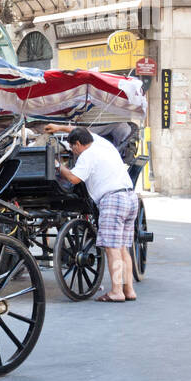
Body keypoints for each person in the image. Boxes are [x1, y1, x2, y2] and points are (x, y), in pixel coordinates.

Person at [56, 127, 139, 303]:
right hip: (130, 197)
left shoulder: (86, 155)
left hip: (113, 200)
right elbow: (80, 130)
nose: (74, 152)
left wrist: (58, 166)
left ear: (77, 144)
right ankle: (129, 290)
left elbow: (73, 179)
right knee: (123, 247)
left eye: (73, 148)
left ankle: (116, 292)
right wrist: (59, 128)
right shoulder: (102, 143)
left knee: (112, 248)